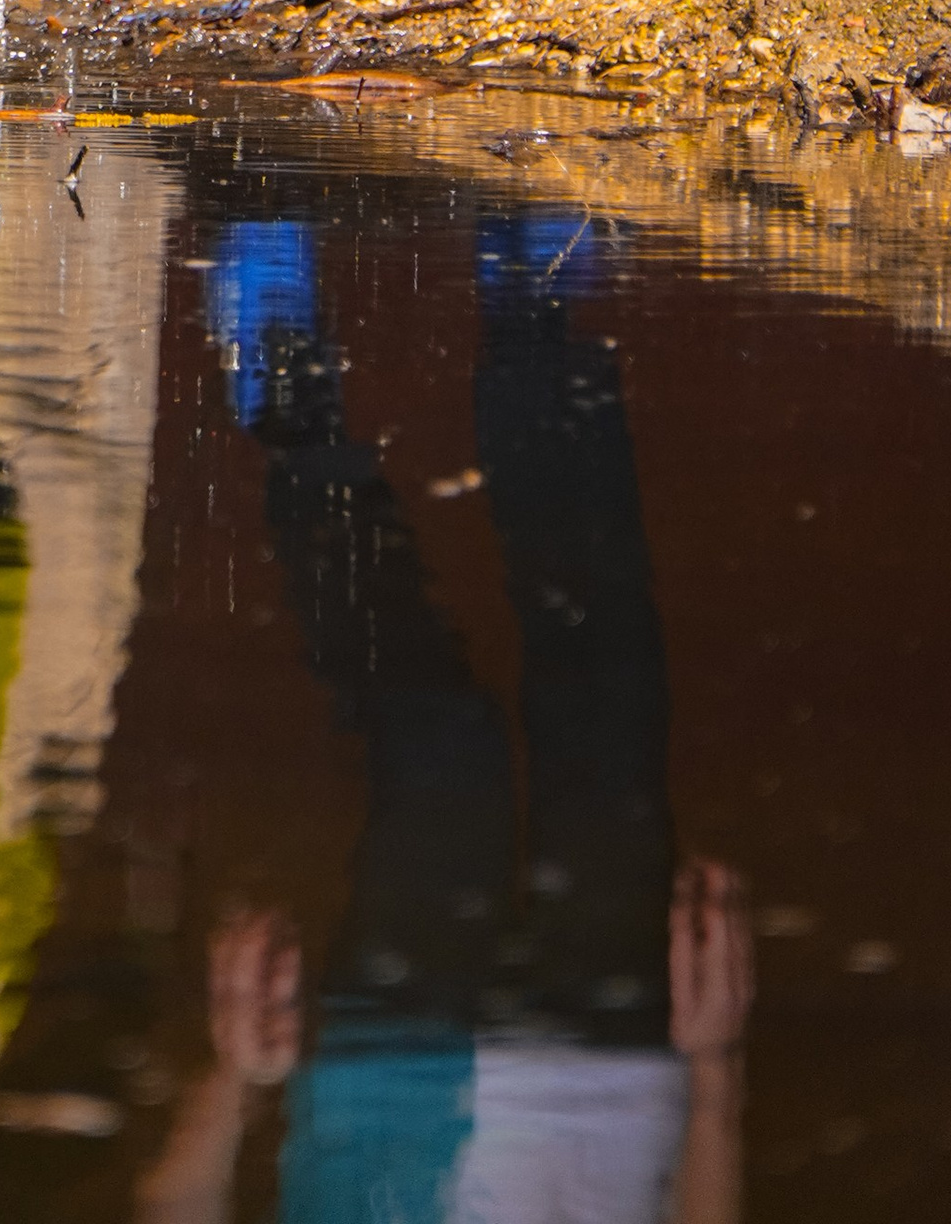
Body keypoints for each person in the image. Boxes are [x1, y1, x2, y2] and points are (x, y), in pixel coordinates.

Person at [140, 215, 755, 1224]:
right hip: (604, 1075)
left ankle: (281, 350)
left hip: (389, 1076)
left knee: (437, 739)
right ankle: (532, 296)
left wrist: (233, 1084)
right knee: (603, 695)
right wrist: (716, 1081)